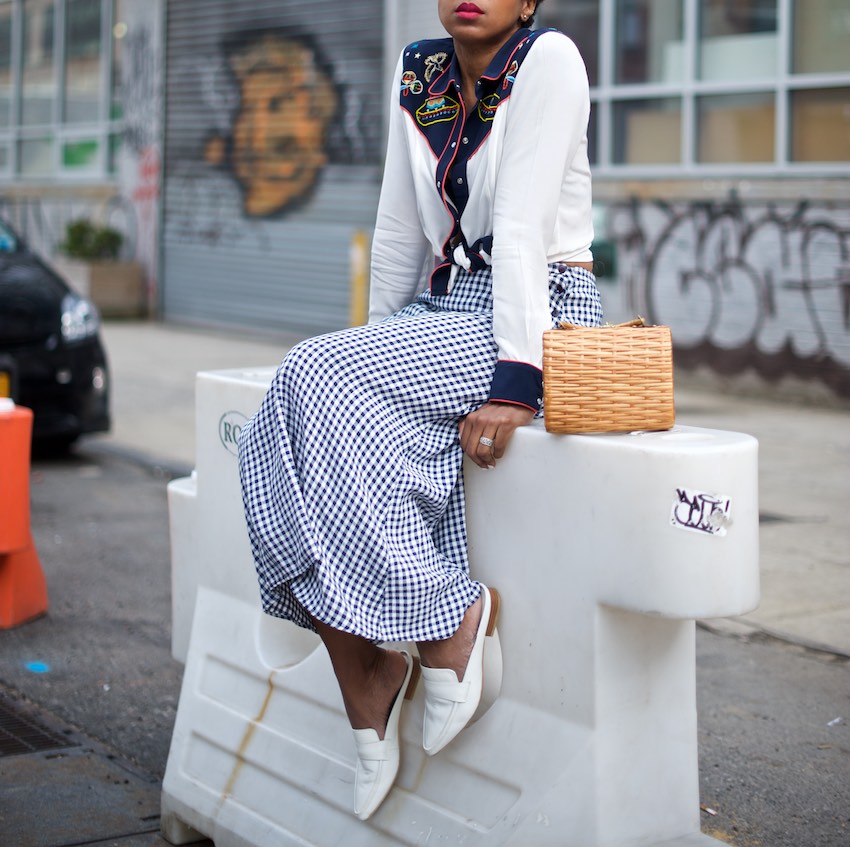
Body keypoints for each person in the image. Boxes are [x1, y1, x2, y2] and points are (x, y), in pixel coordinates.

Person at [238, 0, 601, 821]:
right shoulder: (422, 70)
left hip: (540, 304)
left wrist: (518, 378)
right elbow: (399, 227)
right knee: (286, 415)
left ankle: (447, 624)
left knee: (313, 372)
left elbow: (519, 225)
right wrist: (374, 363)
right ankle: (361, 664)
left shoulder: (551, 61)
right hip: (443, 314)